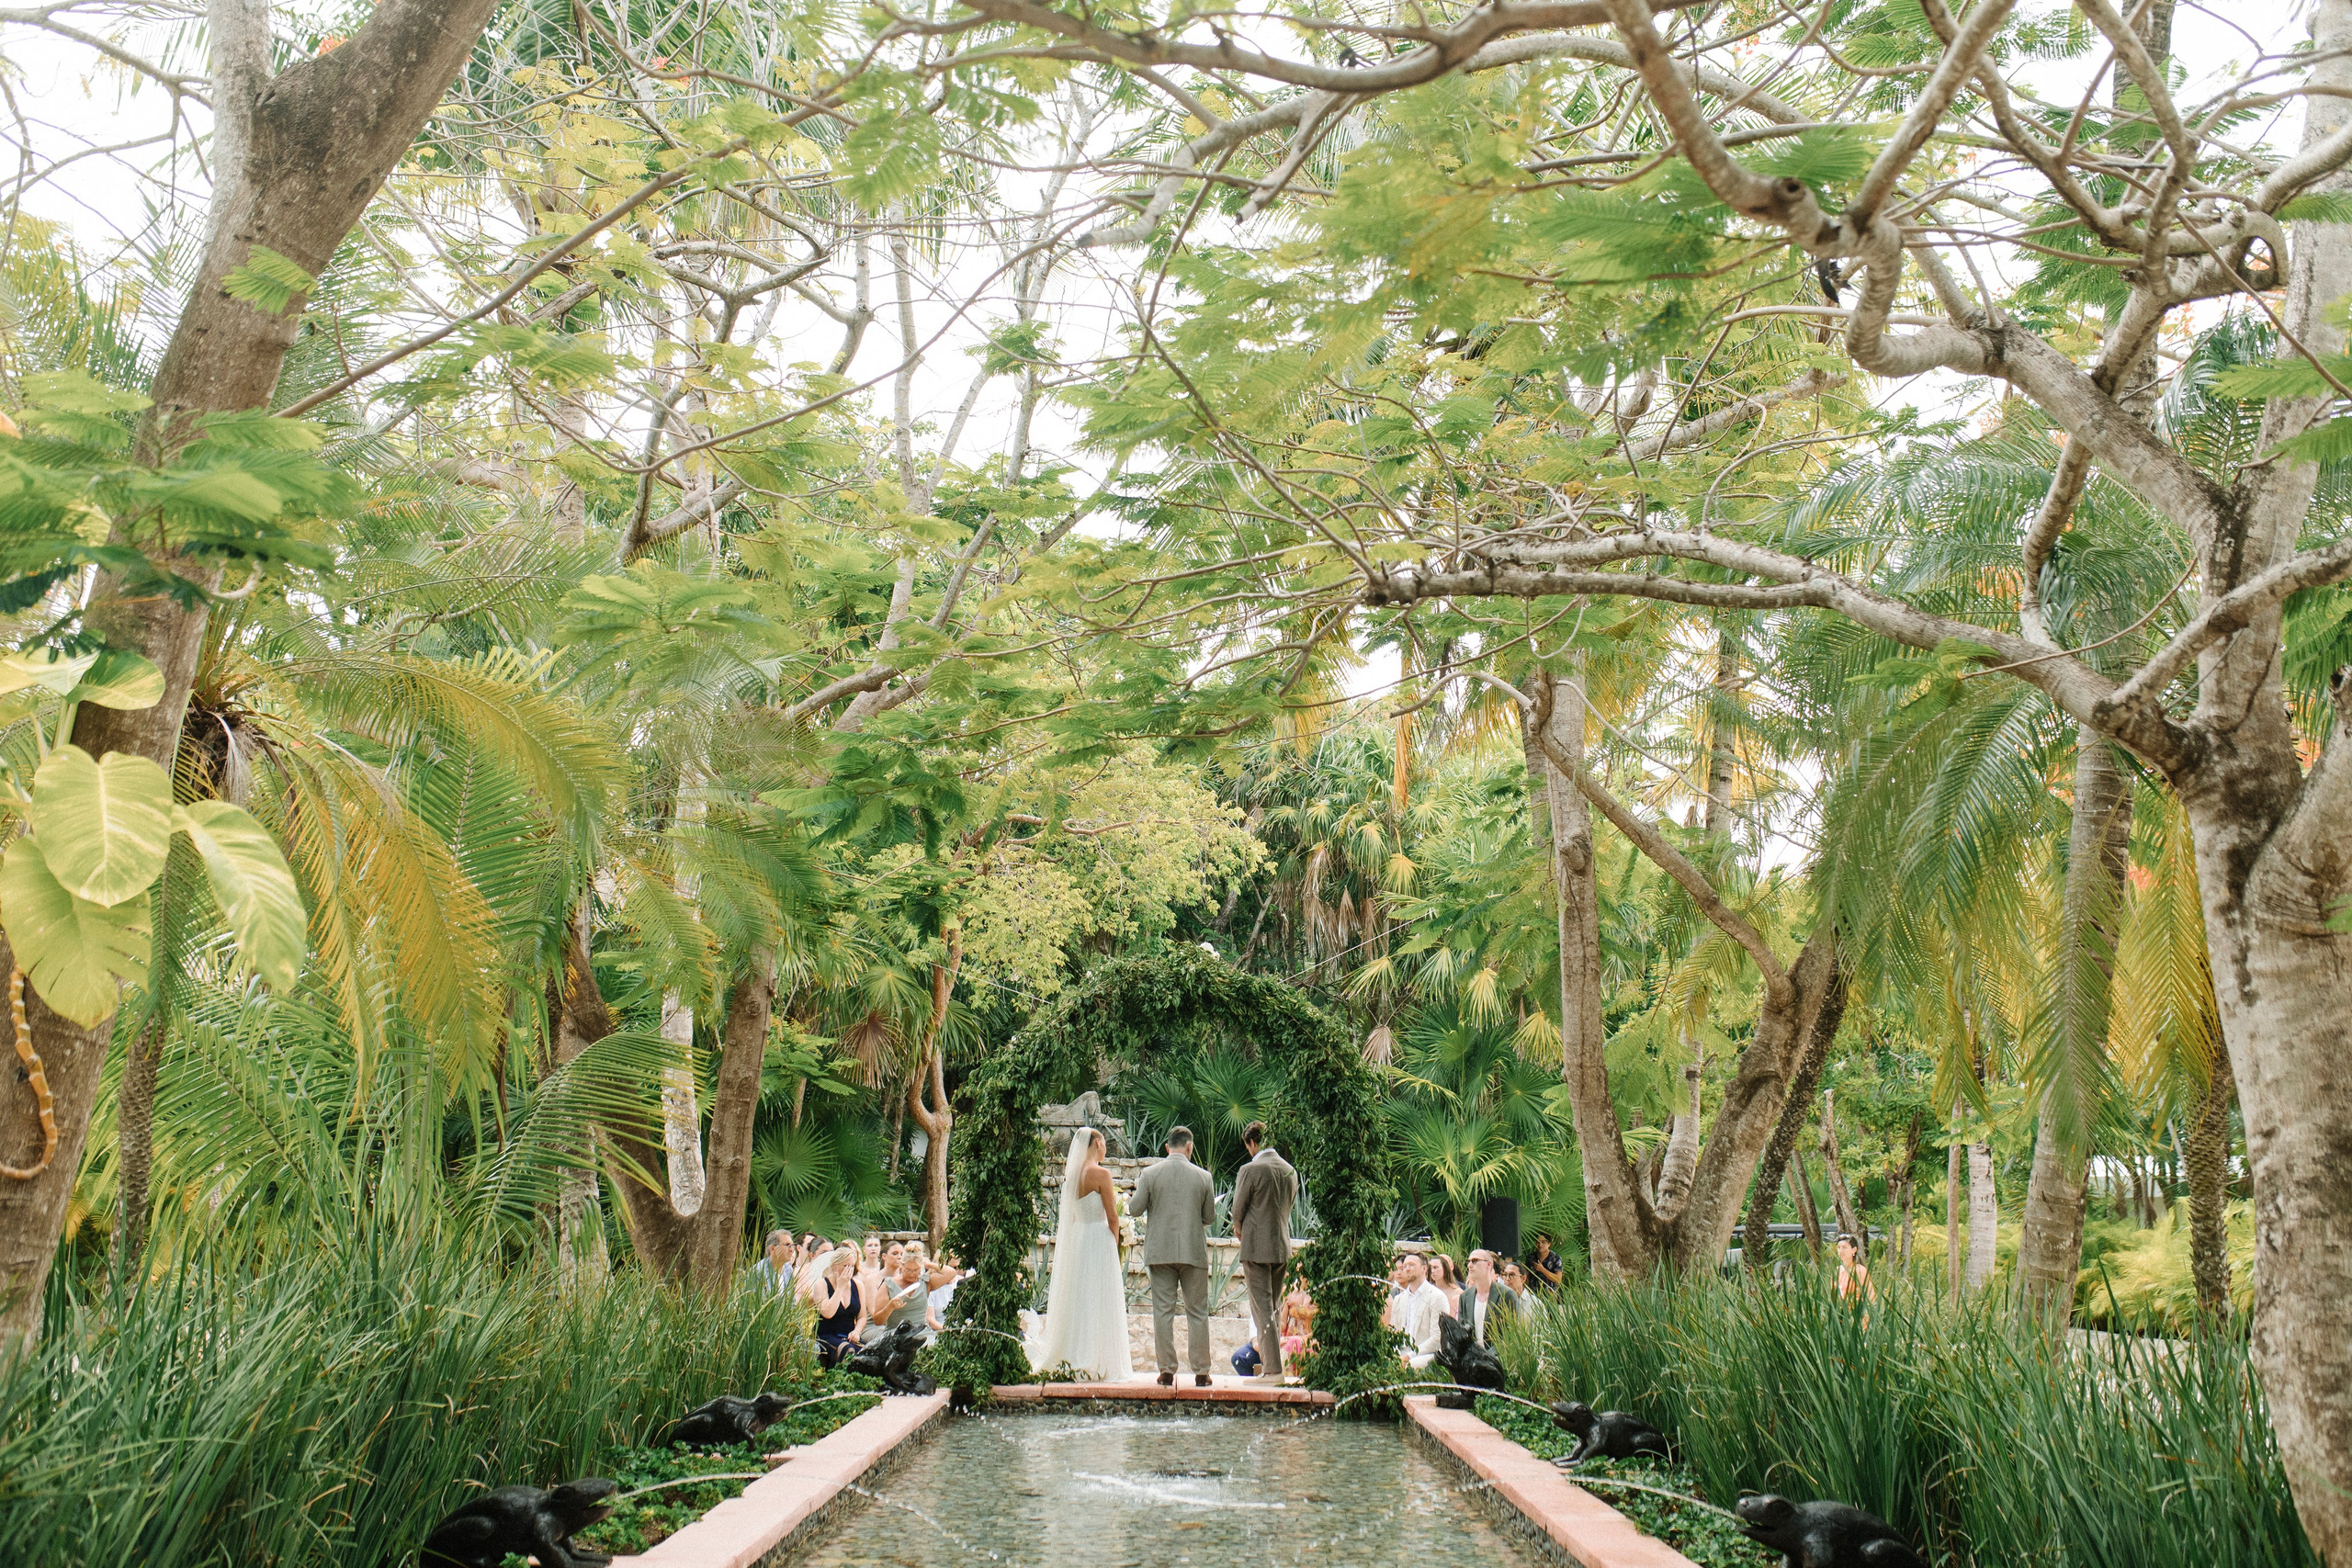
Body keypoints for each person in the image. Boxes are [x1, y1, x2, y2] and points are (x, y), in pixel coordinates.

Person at [1028, 1127, 1134, 1379]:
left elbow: (1074, 1216)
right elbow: (1112, 1217)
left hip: (1081, 1238)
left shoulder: (1071, 1176)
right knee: (1101, 1297)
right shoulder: (1101, 1174)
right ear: (1097, 1143)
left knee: (1081, 1297)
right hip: (1100, 1239)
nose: (1106, 1149)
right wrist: (1118, 1244)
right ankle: (1097, 1358)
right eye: (1105, 1143)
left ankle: (1074, 1353)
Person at [1130, 1125, 1217, 1387]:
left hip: (1160, 1252)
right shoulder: (1204, 1177)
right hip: (1193, 1251)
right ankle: (1202, 1372)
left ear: (1167, 1147)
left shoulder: (1150, 1173)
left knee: (1163, 1312)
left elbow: (1135, 1209)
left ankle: (1166, 1370)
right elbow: (1209, 1217)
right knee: (1198, 1312)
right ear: (1189, 1147)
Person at [1229, 1120, 1298, 1382]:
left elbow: (1238, 1211)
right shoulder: (1290, 1170)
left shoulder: (1250, 1168)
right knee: (1275, 1305)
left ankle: (1271, 1370)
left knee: (1262, 1309)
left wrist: (1239, 1229)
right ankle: (1274, 1367)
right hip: (1281, 1245)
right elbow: (1289, 1206)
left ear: (1252, 1142)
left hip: (1256, 1247)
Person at [1391, 1252, 1448, 1369]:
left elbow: (1437, 1338)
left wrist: (1408, 1356)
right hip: (1401, 1352)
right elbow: (1393, 1332)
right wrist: (1395, 1354)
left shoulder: (1437, 1297)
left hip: (1426, 1354)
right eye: (1404, 1266)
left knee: (1411, 1365)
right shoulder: (1398, 1299)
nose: (1406, 1269)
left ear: (1424, 1268)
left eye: (1411, 1265)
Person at [810, 1248, 865, 1368]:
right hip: (826, 1334)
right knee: (847, 1350)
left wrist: (857, 1331)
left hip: (848, 1334)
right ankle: (840, 1382)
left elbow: (862, 1316)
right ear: (835, 1266)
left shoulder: (858, 1285)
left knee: (869, 1351)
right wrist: (840, 1287)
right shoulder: (821, 1285)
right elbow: (827, 1313)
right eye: (846, 1266)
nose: (849, 1270)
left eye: (852, 1266)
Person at [1457, 1249, 1521, 1347]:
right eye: (1468, 1261)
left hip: (1497, 1357)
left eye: (1474, 1261)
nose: (1469, 1265)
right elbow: (1462, 1332)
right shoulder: (1465, 1297)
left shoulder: (1506, 1295)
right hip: (1471, 1357)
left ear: (1489, 1264)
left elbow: (1510, 1335)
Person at [878, 1247, 933, 1341]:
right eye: (908, 1270)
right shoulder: (888, 1284)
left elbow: (950, 1272)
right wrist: (890, 1307)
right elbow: (878, 1321)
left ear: (921, 1268)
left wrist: (928, 1264)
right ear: (901, 1266)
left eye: (916, 1270)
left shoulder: (925, 1281)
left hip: (922, 1332)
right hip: (896, 1334)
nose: (912, 1273)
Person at [1835, 1233, 1876, 1325]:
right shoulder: (1837, 1271)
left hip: (1857, 1317)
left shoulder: (1859, 1270)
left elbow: (1870, 1296)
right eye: (1839, 1247)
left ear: (1854, 1250)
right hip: (1841, 1318)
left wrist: (1865, 1320)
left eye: (1844, 1247)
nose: (1841, 1251)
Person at [1280, 1271, 1317, 1364]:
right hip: (1291, 1338)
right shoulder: (1288, 1291)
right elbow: (1282, 1324)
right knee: (1288, 1344)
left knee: (1294, 1343)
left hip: (1313, 1338)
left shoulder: (1321, 1292)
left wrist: (1304, 1338)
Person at [750, 1229, 795, 1300]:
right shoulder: (758, 1272)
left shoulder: (789, 1270)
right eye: (787, 1245)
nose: (792, 1250)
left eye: (792, 1245)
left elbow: (791, 1301)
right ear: (772, 1249)